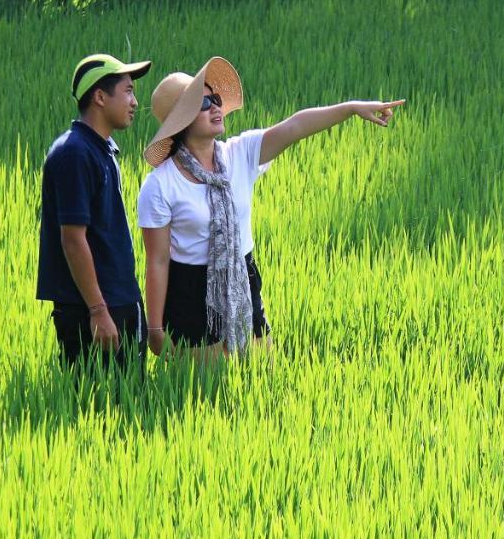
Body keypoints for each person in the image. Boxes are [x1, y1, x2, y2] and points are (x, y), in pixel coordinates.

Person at [137, 56, 404, 357]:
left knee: (260, 374)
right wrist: (155, 328)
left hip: (242, 275)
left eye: (214, 98)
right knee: (206, 392)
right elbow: (157, 261)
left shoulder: (241, 154)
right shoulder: (160, 185)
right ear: (181, 120)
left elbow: (296, 126)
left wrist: (351, 109)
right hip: (192, 291)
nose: (215, 106)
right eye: (202, 103)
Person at [37, 53, 152, 371]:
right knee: (96, 405)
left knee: (130, 402)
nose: (134, 102)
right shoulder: (74, 153)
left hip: (118, 298)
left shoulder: (101, 149)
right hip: (94, 309)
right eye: (128, 91)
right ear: (100, 97)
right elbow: (72, 239)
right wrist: (98, 310)